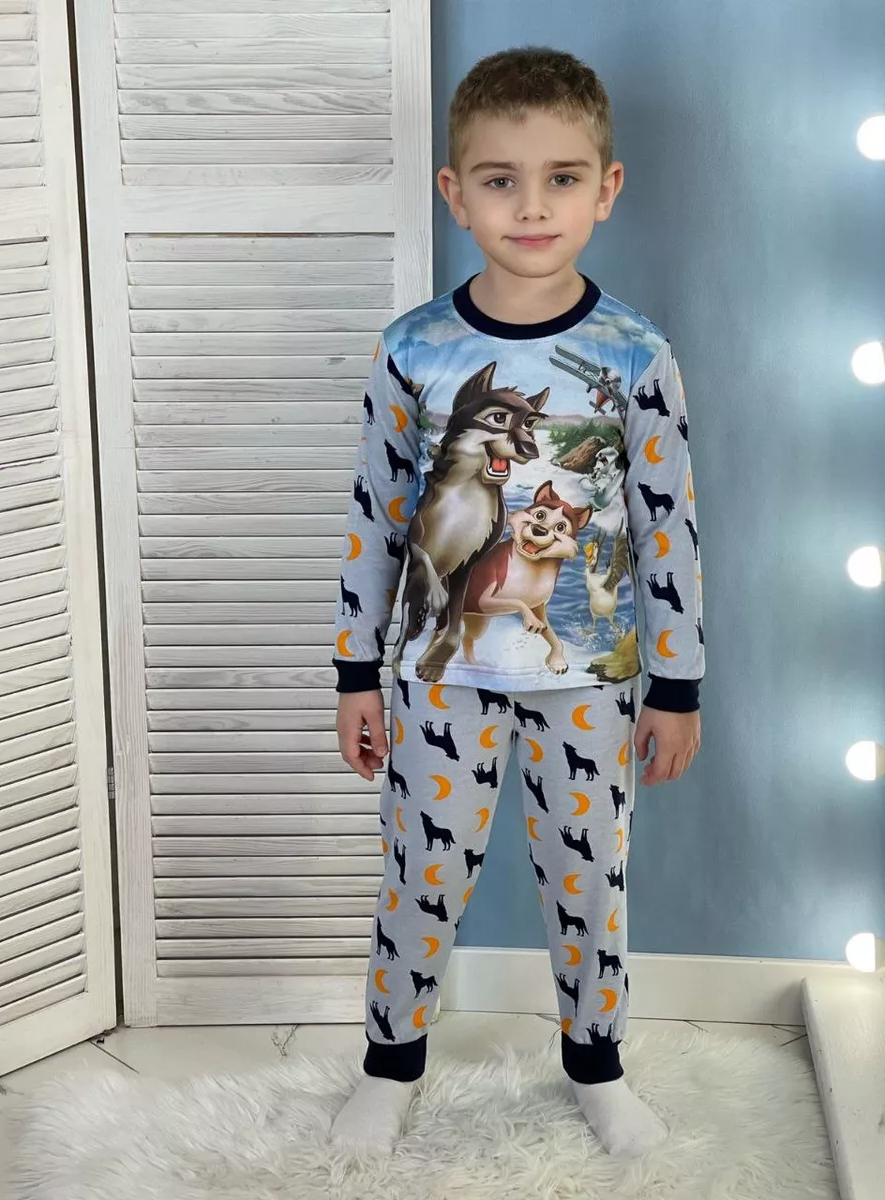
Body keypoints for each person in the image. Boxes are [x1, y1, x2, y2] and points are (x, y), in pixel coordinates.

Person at [328, 45, 705, 1160]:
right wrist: (355, 670)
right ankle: (390, 1067)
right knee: (420, 877)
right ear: (457, 194)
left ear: (605, 188)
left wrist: (677, 684)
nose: (531, 206)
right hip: (437, 676)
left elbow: (670, 526)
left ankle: (597, 1067)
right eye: (501, 180)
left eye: (560, 178)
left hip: (592, 682)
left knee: (591, 882)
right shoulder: (413, 351)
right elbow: (375, 517)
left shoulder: (636, 355)